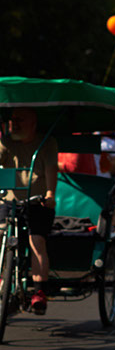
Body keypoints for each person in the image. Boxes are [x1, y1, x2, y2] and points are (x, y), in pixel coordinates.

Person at [0, 108, 58, 314]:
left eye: (20, 120)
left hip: (37, 203)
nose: (14, 123)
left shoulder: (47, 143)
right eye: (12, 119)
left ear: (33, 122)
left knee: (37, 241)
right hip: (9, 202)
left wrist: (51, 194)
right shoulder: (6, 142)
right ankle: (2, 278)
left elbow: (52, 170)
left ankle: (39, 291)